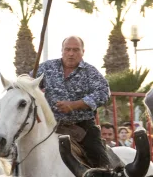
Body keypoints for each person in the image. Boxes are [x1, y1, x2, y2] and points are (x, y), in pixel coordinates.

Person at [36, 35, 111, 168]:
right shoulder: (46, 67)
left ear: (83, 52)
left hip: (82, 127)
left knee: (101, 164)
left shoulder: (90, 72)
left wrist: (74, 105)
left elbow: (103, 93)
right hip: (49, 126)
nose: (71, 53)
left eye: (76, 50)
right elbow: (29, 84)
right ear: (62, 50)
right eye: (67, 49)